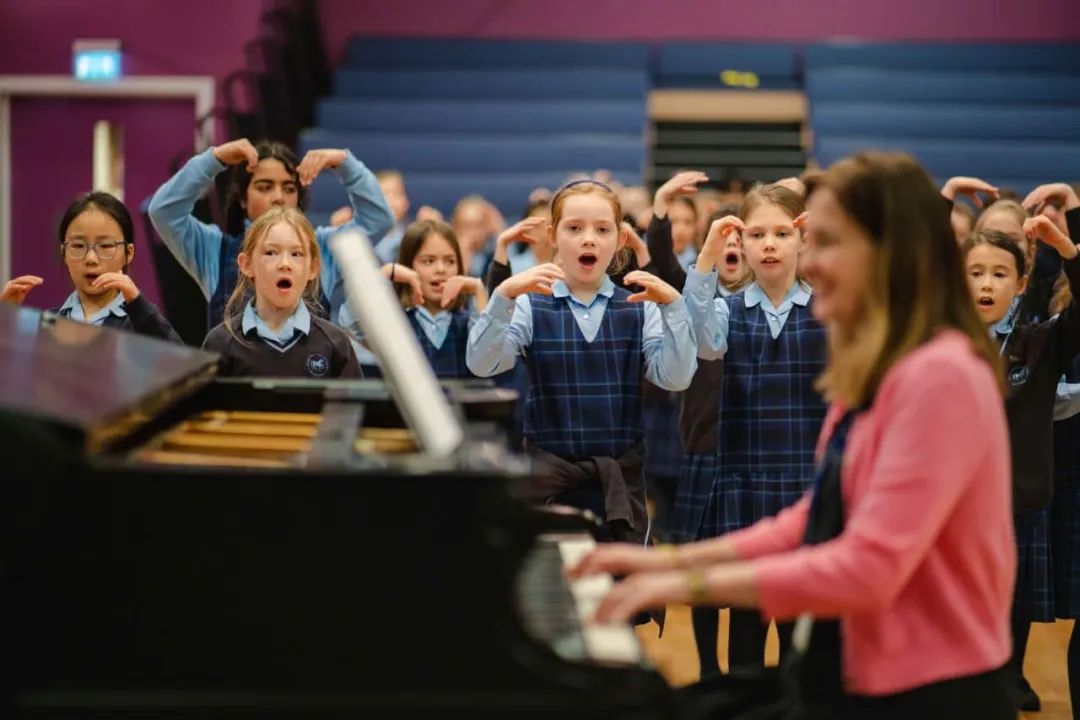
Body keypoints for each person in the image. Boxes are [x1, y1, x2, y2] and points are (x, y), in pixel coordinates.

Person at [572, 152, 1015, 719]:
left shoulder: (942, 376)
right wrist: (670, 564)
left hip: (932, 691)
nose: (810, 262)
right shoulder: (871, 369)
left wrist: (686, 589)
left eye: (823, 242)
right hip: (857, 670)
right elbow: (818, 517)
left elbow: (868, 568)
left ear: (889, 255)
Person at [466, 179, 696, 545]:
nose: (589, 239)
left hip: (621, 486)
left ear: (620, 240)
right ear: (553, 235)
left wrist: (675, 307)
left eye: (602, 229)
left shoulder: (639, 307)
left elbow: (676, 378)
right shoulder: (528, 304)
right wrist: (503, 294)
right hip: (549, 487)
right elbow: (482, 365)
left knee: (628, 595)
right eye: (574, 228)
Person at [679, 183, 827, 672]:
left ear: (803, 239)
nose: (768, 244)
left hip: (808, 482)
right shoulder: (728, 310)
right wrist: (705, 255)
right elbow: (701, 342)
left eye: (782, 233)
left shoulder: (829, 311)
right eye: (756, 233)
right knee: (746, 625)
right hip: (743, 481)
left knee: (800, 630)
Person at [148, 138, 393, 329]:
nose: (278, 197)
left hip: (306, 389)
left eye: (288, 188)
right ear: (243, 199)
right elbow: (163, 210)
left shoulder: (321, 248)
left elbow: (378, 218)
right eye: (265, 187)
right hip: (235, 391)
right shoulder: (214, 249)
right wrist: (214, 159)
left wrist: (344, 163)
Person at [203, 207, 360, 379]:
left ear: (313, 268)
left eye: (296, 254)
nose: (285, 264)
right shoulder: (220, 342)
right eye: (271, 252)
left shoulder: (335, 344)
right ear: (246, 264)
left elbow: (355, 405)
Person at [1, 192, 180, 343]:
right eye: (78, 246)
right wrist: (4, 320)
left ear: (128, 252)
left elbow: (181, 368)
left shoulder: (143, 323)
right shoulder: (48, 324)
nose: (91, 259)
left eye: (105, 246)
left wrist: (138, 304)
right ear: (63, 252)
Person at [341, 220, 485, 379]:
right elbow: (349, 319)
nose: (441, 269)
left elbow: (489, 355)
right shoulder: (397, 324)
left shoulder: (468, 324)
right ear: (408, 267)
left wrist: (479, 291)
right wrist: (387, 272)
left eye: (450, 261)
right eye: (428, 261)